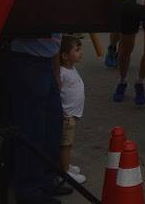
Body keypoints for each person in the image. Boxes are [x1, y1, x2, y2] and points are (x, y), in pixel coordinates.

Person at [1, 0, 81, 203]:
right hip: (26, 64)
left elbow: (55, 41)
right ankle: (29, 190)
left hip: (45, 65)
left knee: (51, 125)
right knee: (31, 129)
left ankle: (47, 178)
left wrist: (56, 73)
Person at [59, 35, 86, 185]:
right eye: (77, 50)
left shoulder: (71, 68)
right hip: (67, 117)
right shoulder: (62, 73)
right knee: (66, 145)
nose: (80, 52)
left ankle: (65, 166)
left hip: (72, 115)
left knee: (68, 144)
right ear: (64, 56)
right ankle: (65, 172)